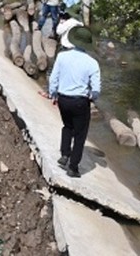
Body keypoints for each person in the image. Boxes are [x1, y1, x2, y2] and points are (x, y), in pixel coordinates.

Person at [47, 26, 101, 178]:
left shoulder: (62, 56)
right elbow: (96, 89)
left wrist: (53, 94)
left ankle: (65, 154)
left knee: (67, 126)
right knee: (80, 135)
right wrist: (92, 97)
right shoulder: (92, 63)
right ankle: (73, 167)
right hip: (80, 102)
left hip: (63, 99)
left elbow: (54, 78)